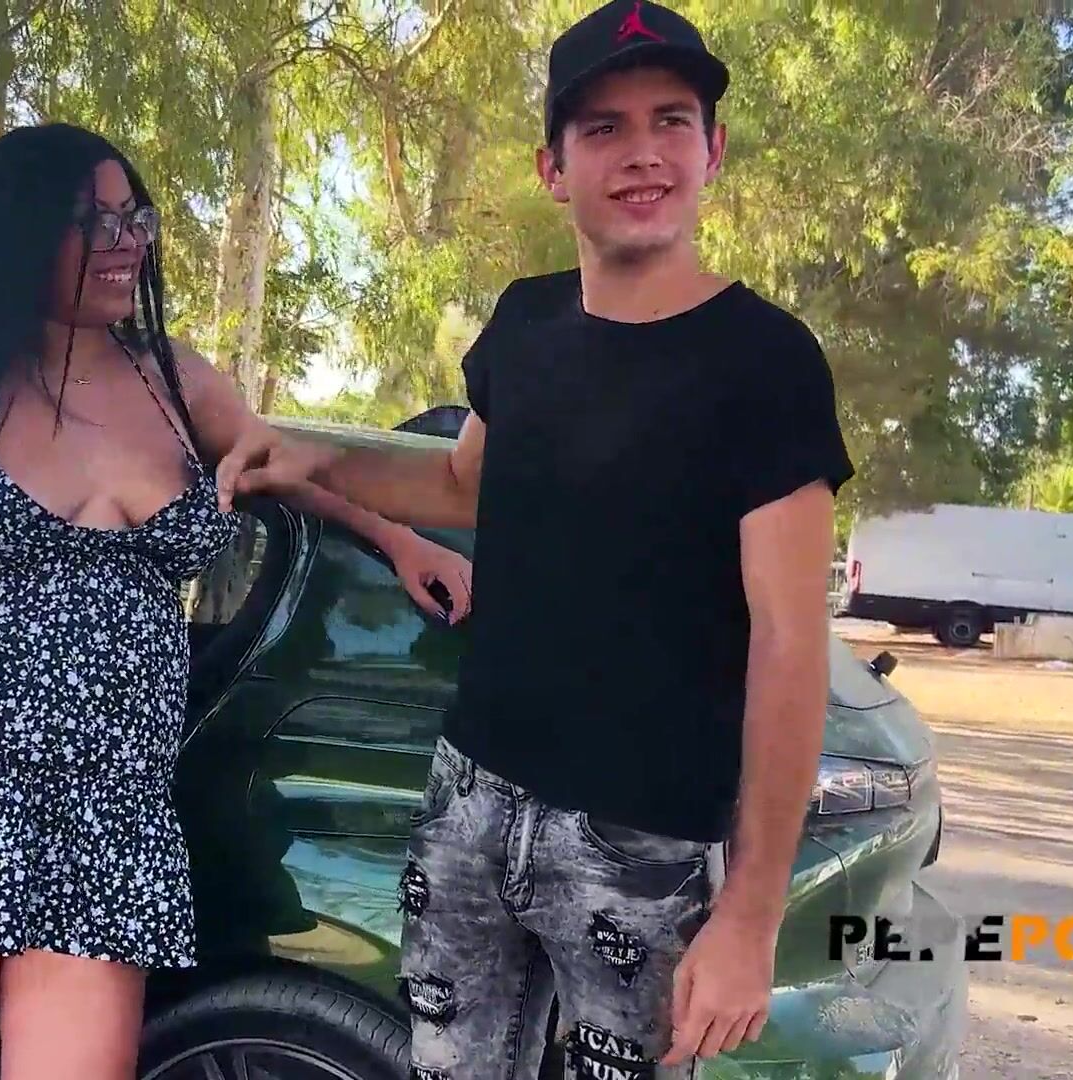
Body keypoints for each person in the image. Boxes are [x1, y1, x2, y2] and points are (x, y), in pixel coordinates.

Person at [0, 122, 473, 1080]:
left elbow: (278, 470)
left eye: (135, 218)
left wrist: (398, 538)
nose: (126, 243)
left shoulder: (178, 382)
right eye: (93, 222)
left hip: (107, 810)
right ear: (20, 235)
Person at [214, 2, 856, 1077]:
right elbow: (461, 484)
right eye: (603, 128)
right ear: (554, 168)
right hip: (472, 797)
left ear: (713, 149)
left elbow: (790, 646)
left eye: (671, 120)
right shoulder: (525, 321)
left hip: (642, 844)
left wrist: (749, 916)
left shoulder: (766, 362)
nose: (642, 152)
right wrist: (314, 461)